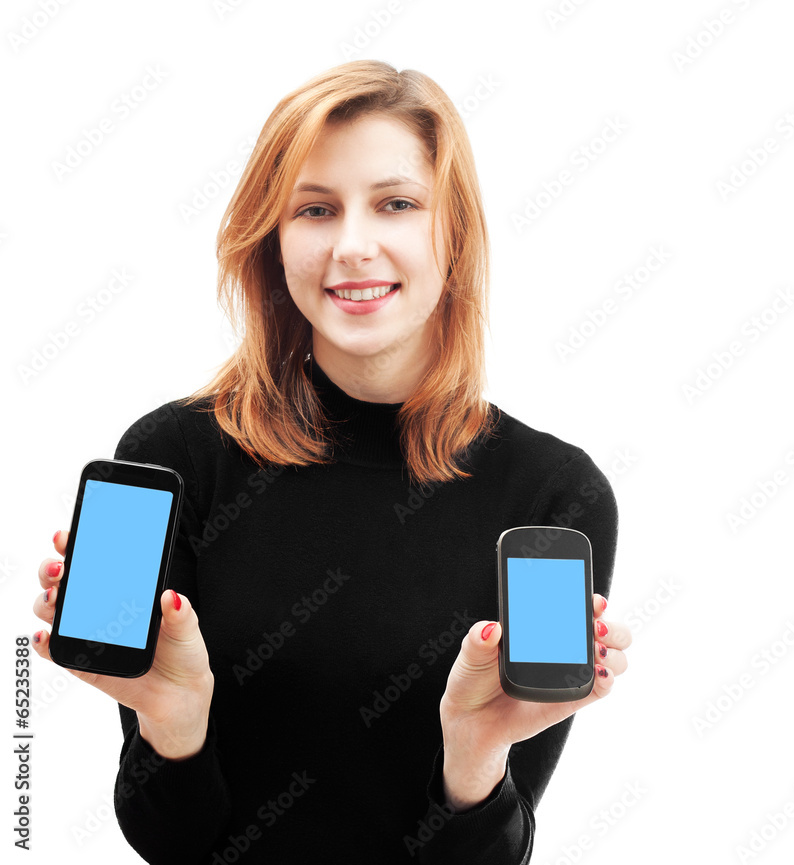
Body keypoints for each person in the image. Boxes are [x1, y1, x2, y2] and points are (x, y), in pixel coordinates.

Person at [31, 59, 631, 863]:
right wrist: (172, 725)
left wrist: (476, 760)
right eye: (315, 209)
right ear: (273, 241)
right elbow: (173, 843)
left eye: (396, 204)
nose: (353, 246)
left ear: (450, 235)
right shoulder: (174, 458)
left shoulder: (553, 492)